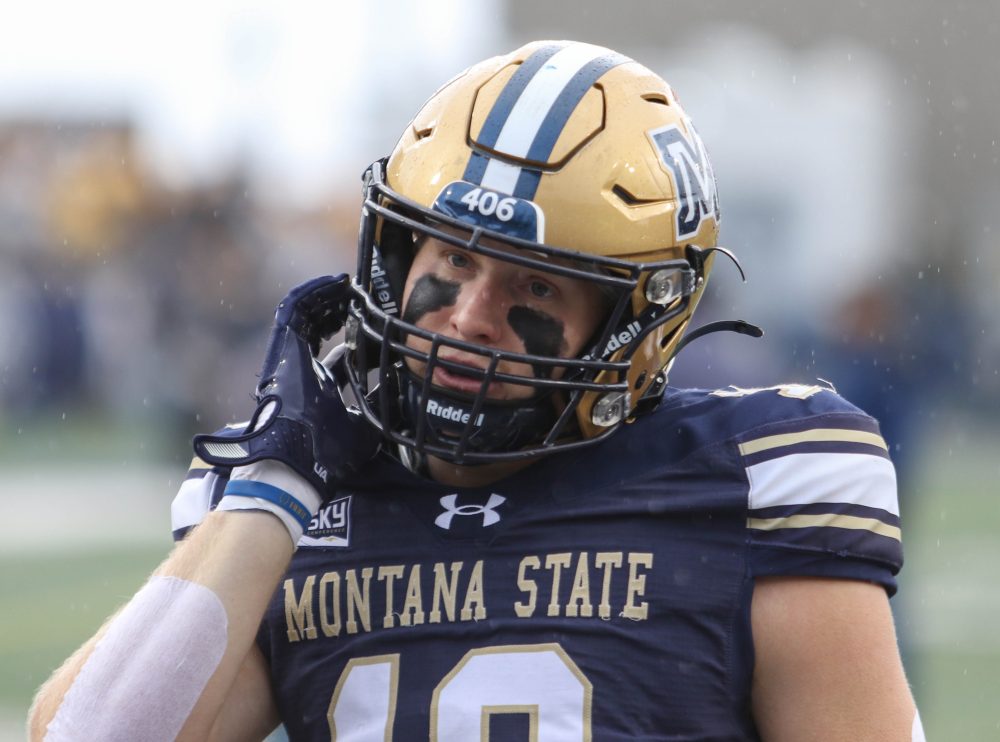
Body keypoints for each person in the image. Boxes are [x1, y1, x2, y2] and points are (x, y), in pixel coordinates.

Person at [29, 40, 923, 741]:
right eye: (453, 260)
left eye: (535, 286)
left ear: (635, 324)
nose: (469, 317)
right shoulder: (295, 507)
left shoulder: (749, 482)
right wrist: (277, 481)